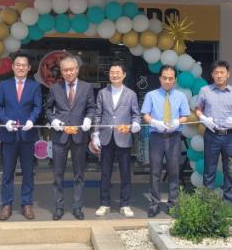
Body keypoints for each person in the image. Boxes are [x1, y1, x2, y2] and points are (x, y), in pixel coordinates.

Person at [45, 54, 96, 220]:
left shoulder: (87, 87)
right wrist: (54, 121)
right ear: (61, 71)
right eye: (65, 70)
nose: (68, 73)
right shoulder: (55, 88)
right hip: (60, 136)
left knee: (79, 174)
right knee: (57, 174)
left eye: (71, 69)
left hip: (79, 136)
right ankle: (59, 207)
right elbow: (48, 110)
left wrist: (88, 119)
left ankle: (77, 207)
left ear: (77, 69)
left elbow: (91, 108)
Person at [0, 53, 42, 220]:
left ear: (29, 68)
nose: (21, 68)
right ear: (13, 67)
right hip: (9, 135)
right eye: (18, 65)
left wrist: (31, 120)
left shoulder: (34, 86)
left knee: (28, 172)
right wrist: (5, 121)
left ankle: (26, 204)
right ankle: (6, 204)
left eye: (24, 65)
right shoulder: (4, 85)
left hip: (27, 135)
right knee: (8, 172)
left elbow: (37, 106)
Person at [92, 61, 141, 218]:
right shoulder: (102, 93)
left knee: (125, 173)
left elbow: (136, 115)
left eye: (118, 72)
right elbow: (98, 114)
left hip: (123, 137)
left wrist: (134, 125)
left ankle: (125, 204)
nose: (114, 75)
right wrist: (95, 134)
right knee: (105, 173)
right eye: (112, 72)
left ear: (124, 75)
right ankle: (104, 203)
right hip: (106, 137)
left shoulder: (131, 94)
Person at [141, 65, 190, 217]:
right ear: (160, 78)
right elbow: (145, 115)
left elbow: (185, 116)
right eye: (165, 78)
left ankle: (173, 204)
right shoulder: (151, 95)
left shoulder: (181, 96)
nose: (168, 81)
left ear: (175, 80)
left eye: (171, 78)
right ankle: (154, 204)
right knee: (154, 171)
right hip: (156, 137)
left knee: (174, 171)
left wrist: (177, 121)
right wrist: (154, 122)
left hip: (174, 137)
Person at [195, 60, 232, 203]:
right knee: (209, 170)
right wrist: (203, 118)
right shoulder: (205, 91)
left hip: (230, 136)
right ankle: (208, 203)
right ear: (212, 74)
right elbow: (197, 109)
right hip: (212, 135)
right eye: (216, 72)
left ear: (228, 74)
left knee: (230, 170)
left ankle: (228, 202)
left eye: (222, 72)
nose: (219, 75)